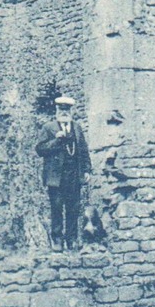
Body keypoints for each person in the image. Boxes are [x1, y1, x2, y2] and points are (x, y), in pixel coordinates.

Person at [35, 95, 91, 251]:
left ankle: (71, 240)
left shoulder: (77, 127)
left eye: (67, 110)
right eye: (61, 110)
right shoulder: (49, 128)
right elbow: (40, 150)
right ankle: (57, 240)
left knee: (73, 208)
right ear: (57, 111)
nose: (64, 113)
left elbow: (83, 150)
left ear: (71, 111)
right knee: (57, 208)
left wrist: (87, 170)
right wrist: (57, 140)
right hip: (56, 177)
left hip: (74, 175)